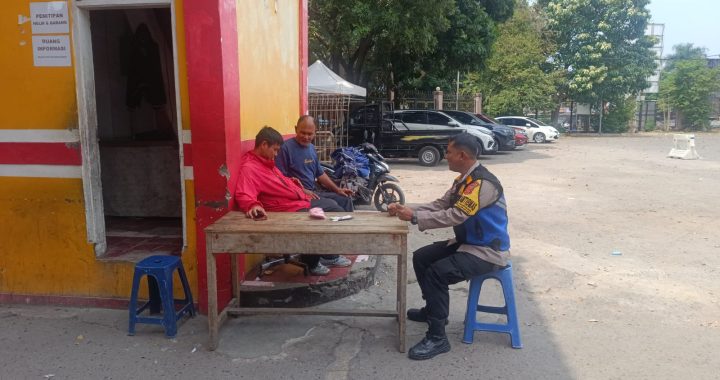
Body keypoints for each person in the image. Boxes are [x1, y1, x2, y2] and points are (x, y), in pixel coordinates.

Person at [387, 133, 511, 360]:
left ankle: (437, 338)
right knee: (422, 257)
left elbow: (456, 215)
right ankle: (434, 311)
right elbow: (439, 205)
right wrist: (406, 208)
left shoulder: (482, 184)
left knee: (437, 273)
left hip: (487, 252)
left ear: (462, 155)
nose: (446, 156)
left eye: (449, 152)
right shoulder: (464, 180)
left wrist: (414, 218)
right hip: (469, 243)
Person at [233, 126, 346, 276]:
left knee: (340, 203)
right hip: (284, 208)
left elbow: (281, 180)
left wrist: (298, 187)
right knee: (330, 211)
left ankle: (328, 254)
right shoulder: (250, 168)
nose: (276, 154)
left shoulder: (265, 162)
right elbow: (244, 193)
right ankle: (312, 262)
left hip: (296, 201)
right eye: (275, 149)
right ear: (264, 145)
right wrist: (253, 205)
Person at [275, 115, 354, 268]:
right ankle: (327, 256)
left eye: (309, 134)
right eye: (302, 132)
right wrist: (302, 190)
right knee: (333, 208)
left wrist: (338, 189)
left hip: (312, 192)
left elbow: (320, 174)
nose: (306, 136)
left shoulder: (311, 148)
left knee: (345, 199)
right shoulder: (285, 149)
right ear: (295, 129)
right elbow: (280, 179)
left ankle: (336, 247)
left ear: (315, 133)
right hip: (297, 198)